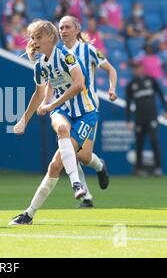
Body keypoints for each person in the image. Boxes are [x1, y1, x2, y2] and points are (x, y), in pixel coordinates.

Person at [9, 19, 96, 225]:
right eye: (32, 38)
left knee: (55, 166)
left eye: (38, 37)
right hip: (62, 111)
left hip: (86, 113)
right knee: (62, 127)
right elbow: (38, 95)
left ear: (50, 37)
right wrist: (24, 120)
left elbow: (78, 84)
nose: (34, 41)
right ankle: (76, 184)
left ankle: (29, 214)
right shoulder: (40, 66)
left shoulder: (66, 56)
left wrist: (50, 105)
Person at [58, 15, 118, 208]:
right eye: (61, 27)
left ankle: (99, 165)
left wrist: (112, 89)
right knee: (70, 151)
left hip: (87, 108)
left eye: (67, 27)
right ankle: (86, 197)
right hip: (67, 109)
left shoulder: (88, 50)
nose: (63, 31)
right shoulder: (57, 53)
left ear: (77, 30)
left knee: (83, 156)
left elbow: (111, 69)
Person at [126, 61, 167, 177]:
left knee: (154, 141)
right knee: (139, 143)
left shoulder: (151, 80)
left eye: (138, 67)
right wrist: (128, 120)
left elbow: (160, 93)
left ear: (142, 68)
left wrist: (165, 109)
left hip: (152, 117)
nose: (137, 70)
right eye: (135, 68)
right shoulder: (131, 84)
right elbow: (128, 104)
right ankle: (138, 168)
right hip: (139, 118)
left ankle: (158, 168)